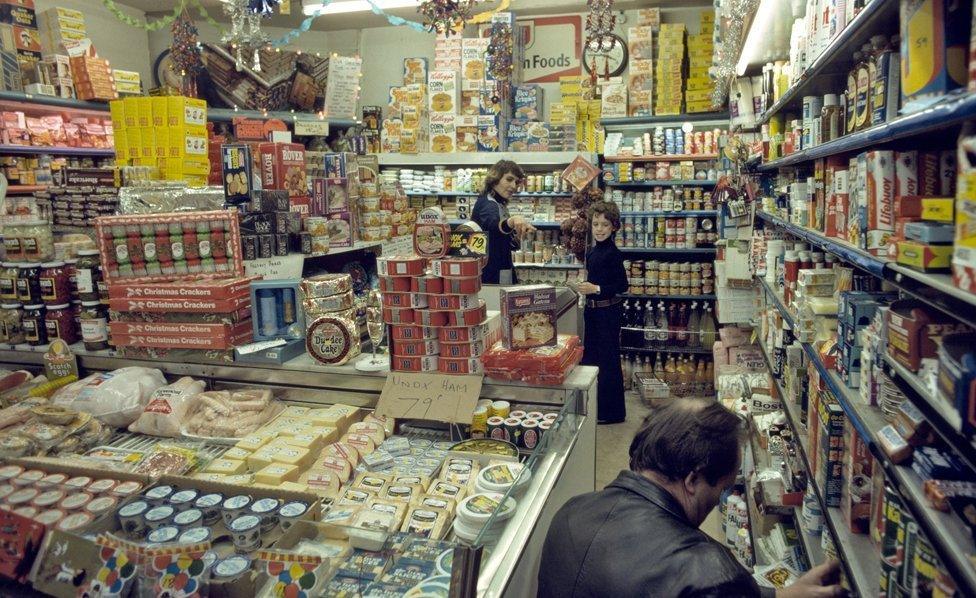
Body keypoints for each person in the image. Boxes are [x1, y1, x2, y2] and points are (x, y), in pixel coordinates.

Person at [537, 399, 846, 598]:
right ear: (693, 479)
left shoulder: (571, 512)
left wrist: (777, 595)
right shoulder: (709, 570)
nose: (719, 499)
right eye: (723, 487)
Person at [576, 201, 628, 424]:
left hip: (608, 312)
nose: (599, 229)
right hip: (594, 312)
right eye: (595, 224)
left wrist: (595, 289)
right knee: (592, 359)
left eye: (604, 225)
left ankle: (612, 413)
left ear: (614, 227)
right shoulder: (593, 251)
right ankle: (596, 408)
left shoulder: (613, 254)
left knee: (607, 362)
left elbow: (622, 285)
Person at [471, 160, 537, 284]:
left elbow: (501, 240)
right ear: (495, 179)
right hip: (491, 275)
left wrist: (518, 237)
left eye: (517, 182)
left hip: (499, 268)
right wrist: (511, 221)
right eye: (509, 179)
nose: (514, 186)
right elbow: (493, 225)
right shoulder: (488, 203)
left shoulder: (498, 203)